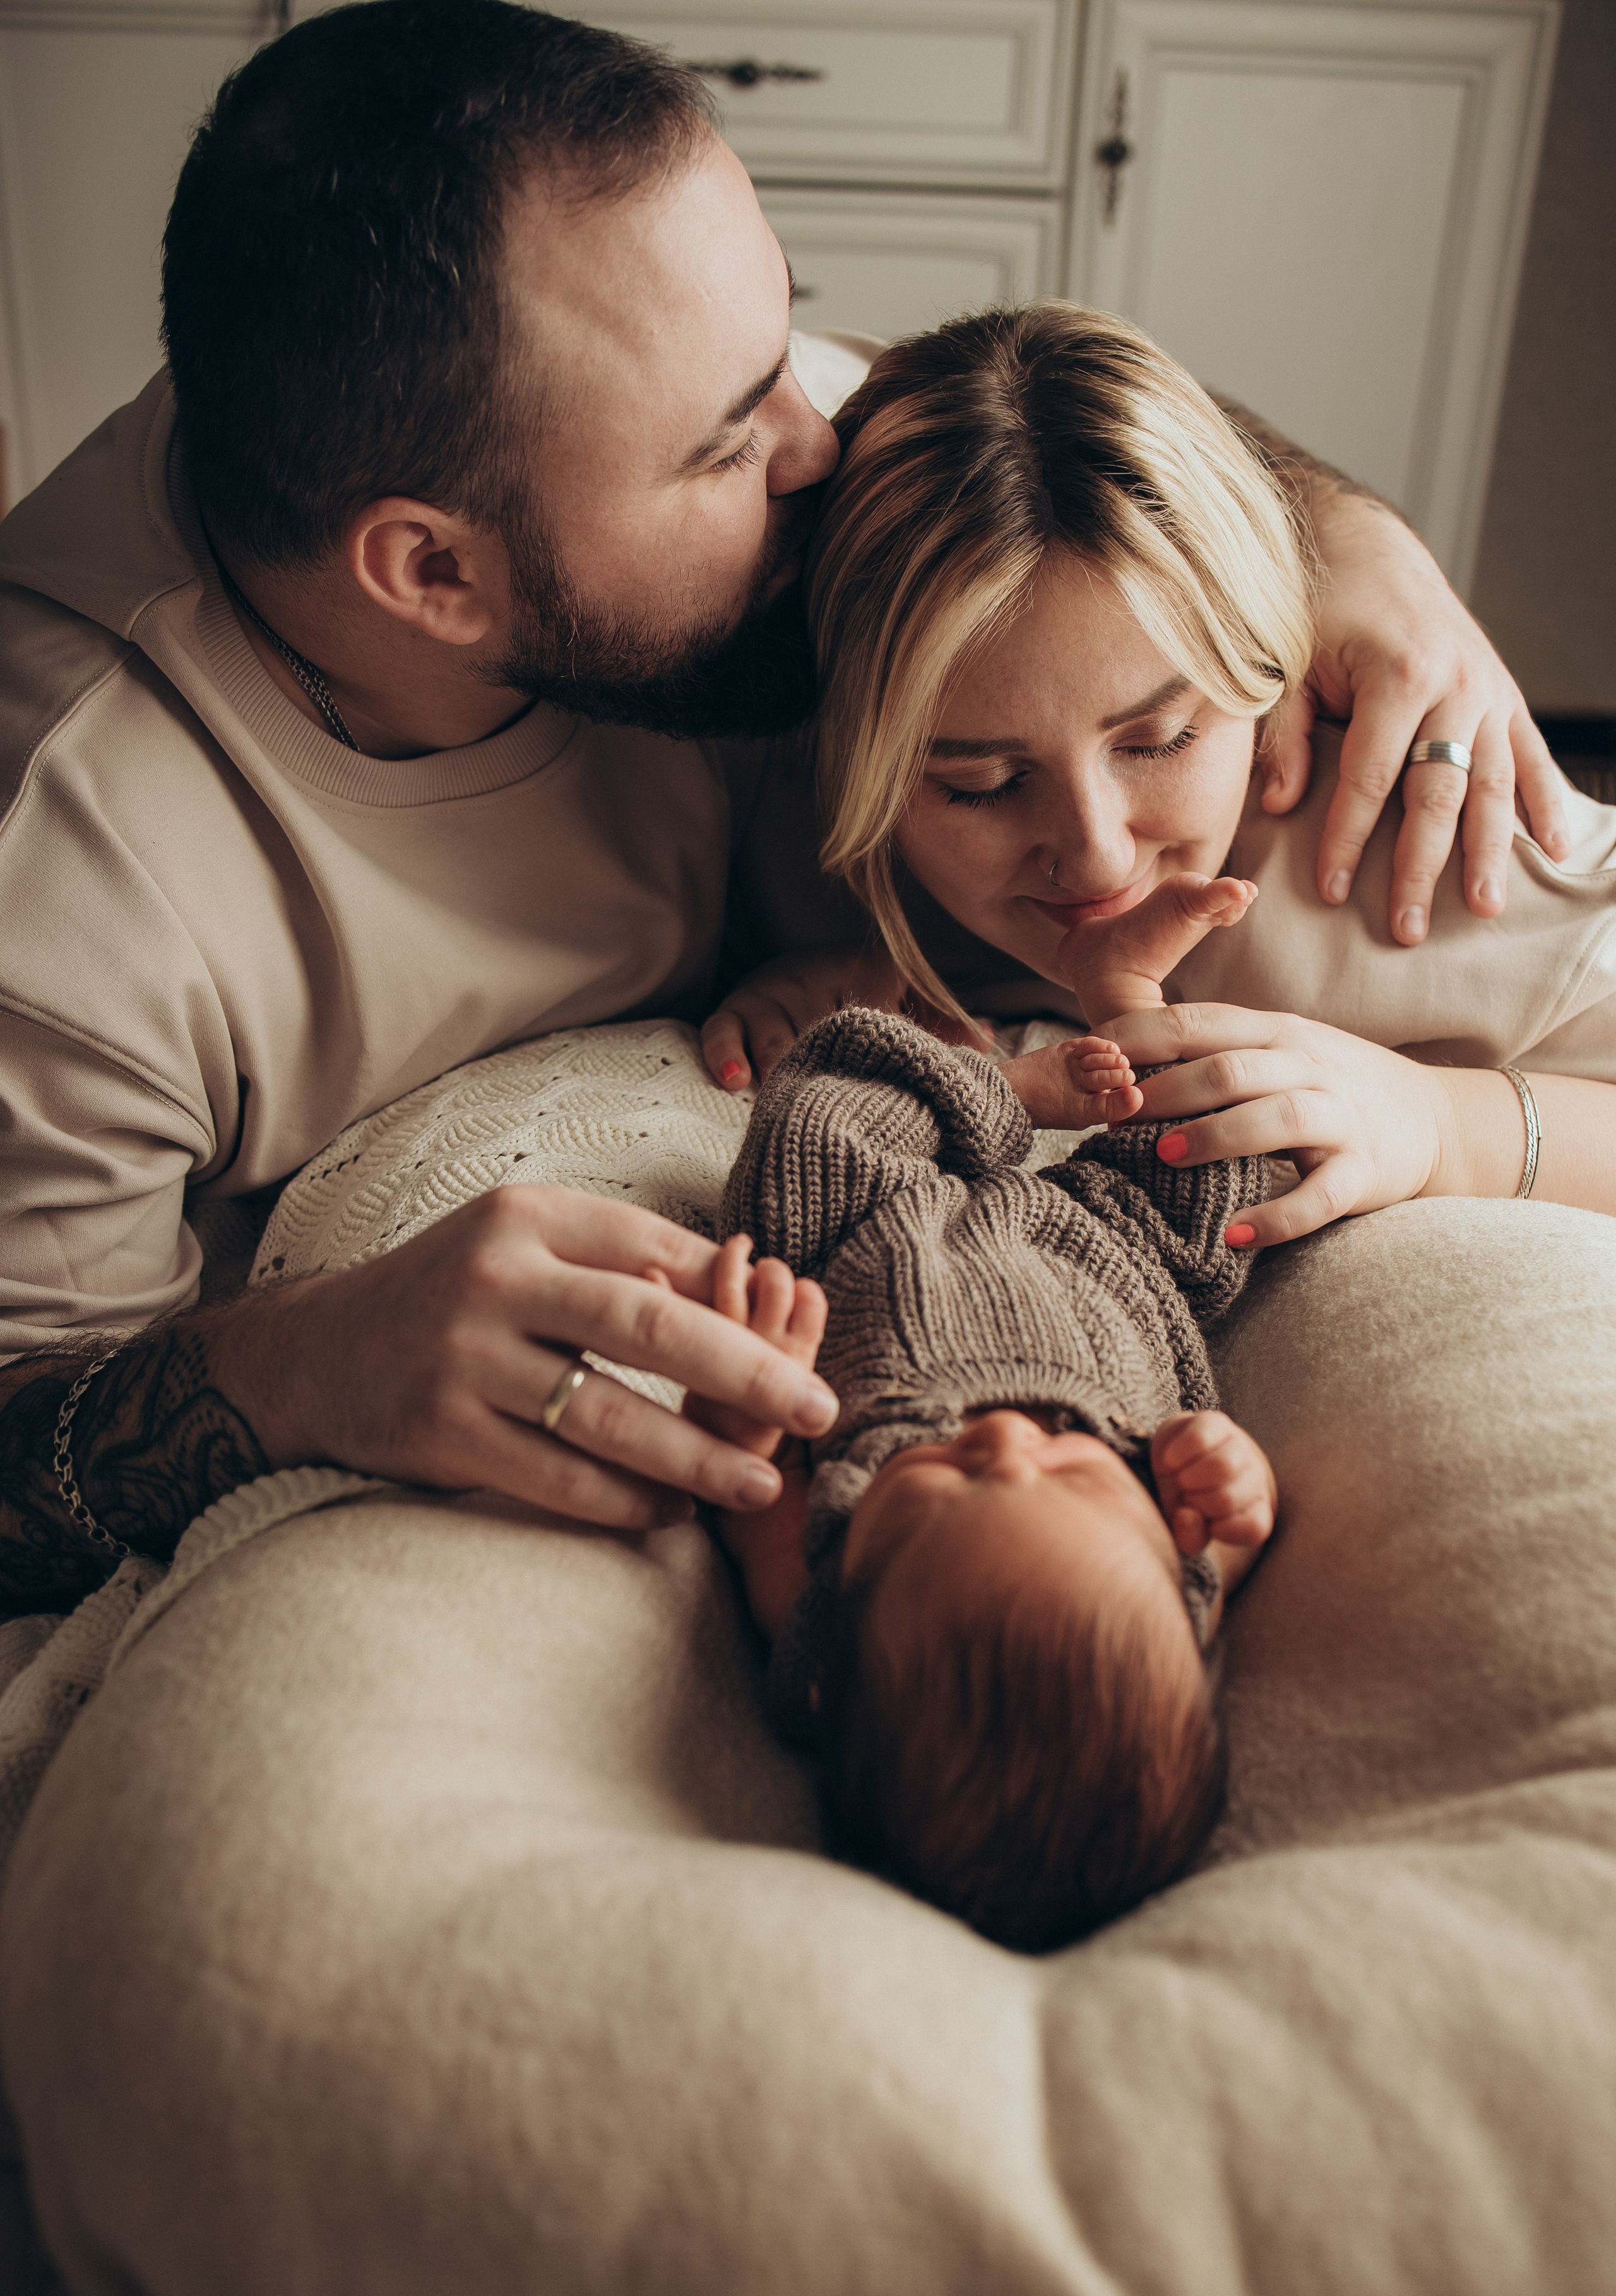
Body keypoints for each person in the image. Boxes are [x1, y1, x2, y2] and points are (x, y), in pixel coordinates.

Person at [0, 1, 1566, 1617]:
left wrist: (1349, 540)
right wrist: (292, 1370)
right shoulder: (70, 882)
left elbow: (1043, 434)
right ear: (435, 572)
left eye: (784, 345)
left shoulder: (686, 420)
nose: (821, 435)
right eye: (730, 440)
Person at [705, 304, 1616, 1246]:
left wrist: (1444, 1126)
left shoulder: (1424, 856)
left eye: (1163, 739)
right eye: (981, 785)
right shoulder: (790, 836)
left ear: (1270, 663)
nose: (1098, 860)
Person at [685, 861, 1279, 1950]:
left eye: (937, 1495)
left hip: (874, 1238)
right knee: (1233, 1151)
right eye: (1076, 1482)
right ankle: (1126, 988)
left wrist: (746, 1408)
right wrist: (1231, 1488)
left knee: (813, 1117)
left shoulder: (815, 1628)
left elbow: (751, 1503)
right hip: (1116, 1260)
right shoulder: (1177, 1589)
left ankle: (1005, 1092)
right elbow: (1226, 1537)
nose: (1005, 1444)